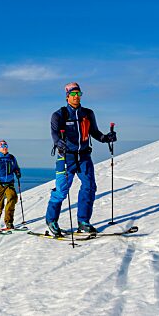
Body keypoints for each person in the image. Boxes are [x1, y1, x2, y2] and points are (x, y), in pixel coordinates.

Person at [45, 82, 117, 236]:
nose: (76, 97)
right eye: (73, 94)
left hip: (84, 156)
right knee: (62, 191)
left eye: (79, 94)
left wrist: (106, 138)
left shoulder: (88, 113)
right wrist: (59, 143)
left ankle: (83, 222)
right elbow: (55, 135)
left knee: (89, 187)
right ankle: (51, 220)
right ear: (67, 96)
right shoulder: (58, 115)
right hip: (66, 157)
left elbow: (95, 133)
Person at [0, 140, 21, 232]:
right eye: (2, 146)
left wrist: (17, 172)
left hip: (9, 183)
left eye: (6, 146)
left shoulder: (11, 157)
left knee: (13, 198)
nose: (4, 148)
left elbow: (16, 168)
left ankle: (9, 222)